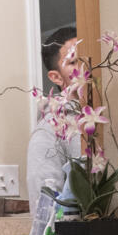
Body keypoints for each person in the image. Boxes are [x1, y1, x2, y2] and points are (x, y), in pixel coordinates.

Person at [25, 25, 82, 209]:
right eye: (74, 62)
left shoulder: (104, 119)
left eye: (86, 59)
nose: (84, 67)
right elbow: (44, 212)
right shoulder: (48, 132)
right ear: (56, 77)